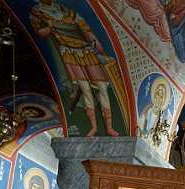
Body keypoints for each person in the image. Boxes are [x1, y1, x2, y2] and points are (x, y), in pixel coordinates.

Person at [29, 0, 120, 137]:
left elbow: (86, 30)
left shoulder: (67, 11)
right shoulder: (36, 12)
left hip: (86, 50)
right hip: (69, 53)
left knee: (102, 86)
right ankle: (94, 127)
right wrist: (48, 27)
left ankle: (110, 127)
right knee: (86, 90)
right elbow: (40, 33)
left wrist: (102, 52)